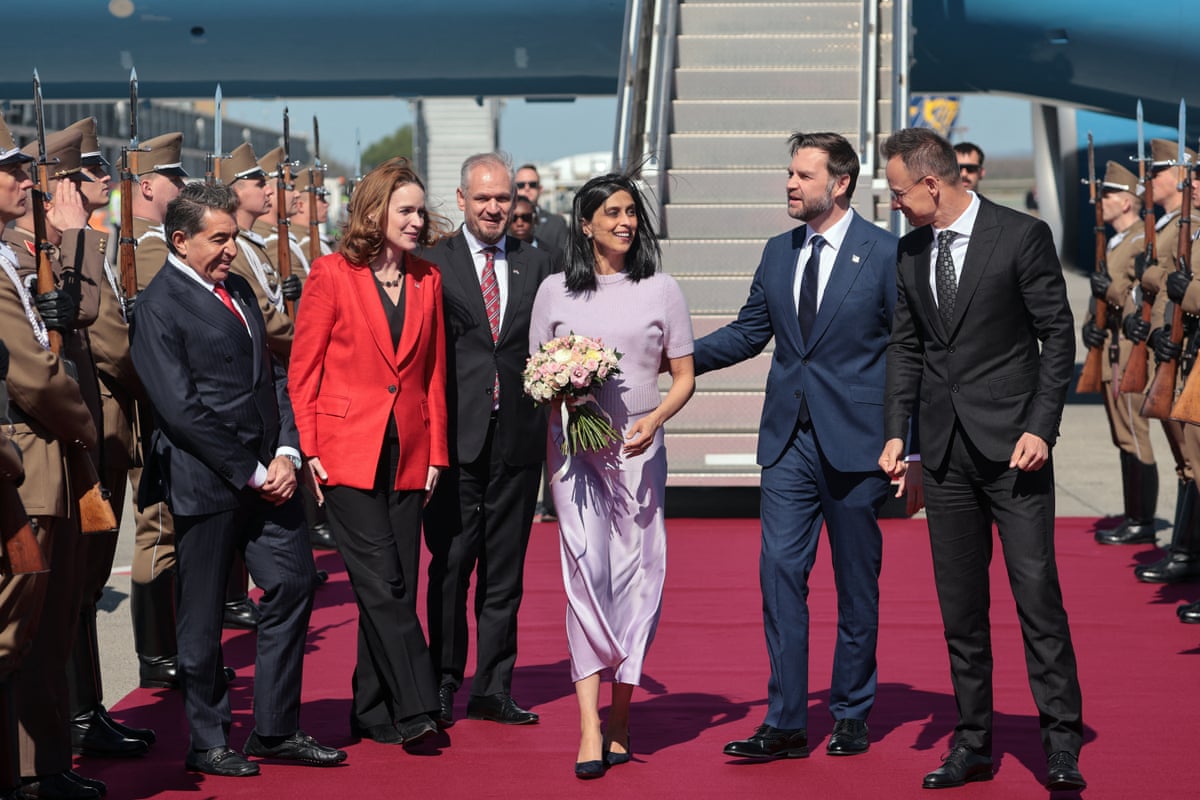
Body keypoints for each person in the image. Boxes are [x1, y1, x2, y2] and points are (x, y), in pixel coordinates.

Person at [878, 127, 1085, 792]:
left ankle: (1061, 743)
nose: (896, 204)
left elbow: (1058, 337)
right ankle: (972, 742)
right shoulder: (910, 253)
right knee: (960, 609)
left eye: (900, 192)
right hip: (943, 457)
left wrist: (1041, 427)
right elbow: (906, 349)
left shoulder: (1020, 236)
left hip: (1014, 452)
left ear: (933, 184)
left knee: (1036, 600)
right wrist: (896, 435)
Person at [694, 132, 899, 763]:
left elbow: (907, 354)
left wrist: (906, 442)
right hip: (788, 441)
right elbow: (750, 332)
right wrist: (673, 356)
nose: (789, 184)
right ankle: (785, 721)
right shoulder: (777, 252)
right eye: (789, 173)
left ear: (839, 184)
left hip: (858, 443)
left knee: (855, 583)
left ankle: (851, 712)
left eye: (803, 175)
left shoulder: (885, 253)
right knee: (780, 573)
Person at [129, 182, 346, 778]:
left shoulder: (240, 289)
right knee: (200, 614)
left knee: (295, 582)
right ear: (180, 240)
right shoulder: (158, 306)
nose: (231, 250)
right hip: (210, 480)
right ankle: (208, 738)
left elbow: (273, 374)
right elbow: (180, 410)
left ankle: (275, 727)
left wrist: (286, 451)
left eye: (233, 237)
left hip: (269, 472)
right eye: (218, 239)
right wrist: (252, 472)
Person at [530, 173, 694, 778]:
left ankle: (622, 714)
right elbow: (536, 375)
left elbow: (683, 376)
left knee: (638, 580)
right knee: (585, 575)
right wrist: (563, 396)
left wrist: (655, 418)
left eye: (631, 212)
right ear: (586, 222)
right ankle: (591, 725)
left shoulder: (662, 289)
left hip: (640, 454)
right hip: (575, 457)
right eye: (613, 212)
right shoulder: (553, 291)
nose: (625, 222)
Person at [289, 157, 448, 746]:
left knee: (397, 577)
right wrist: (307, 446)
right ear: (375, 212)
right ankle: (415, 706)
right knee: (384, 584)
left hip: (409, 451)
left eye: (419, 209)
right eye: (405, 209)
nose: (416, 219)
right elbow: (302, 370)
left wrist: (435, 453)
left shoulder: (427, 279)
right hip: (343, 450)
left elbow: (431, 374)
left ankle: (372, 708)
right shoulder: (332, 274)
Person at [421, 153, 554, 729]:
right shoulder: (432, 264)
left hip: (518, 439)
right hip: (453, 440)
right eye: (483, 199)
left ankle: (494, 686)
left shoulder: (540, 262)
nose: (495, 208)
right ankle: (445, 680)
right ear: (462, 200)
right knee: (451, 566)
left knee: (506, 571)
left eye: (503, 199)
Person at [0, 112, 106, 800]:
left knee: (50, 624)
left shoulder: (12, 256)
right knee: (14, 631)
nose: (21, 180)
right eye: (9, 170)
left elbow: (73, 322)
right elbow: (35, 375)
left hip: (53, 467)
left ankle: (41, 766)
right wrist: (87, 426)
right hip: (28, 466)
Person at [124, 131, 193, 690]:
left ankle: (166, 646)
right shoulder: (146, 249)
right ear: (147, 185)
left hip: (158, 405)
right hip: (151, 412)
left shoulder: (150, 243)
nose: (183, 186)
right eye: (174, 178)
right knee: (158, 527)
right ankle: (154, 652)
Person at [1129, 139, 1200, 586]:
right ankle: (1185, 549)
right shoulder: (1178, 226)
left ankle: (1186, 551)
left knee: (1191, 462)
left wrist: (1152, 276)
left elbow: (1184, 288)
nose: (1147, 182)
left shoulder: (1183, 227)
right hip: (1172, 350)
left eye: (1156, 173)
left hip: (1181, 351)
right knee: (1188, 462)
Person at [1084, 161, 1157, 546]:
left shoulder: (1138, 243)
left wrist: (1107, 291)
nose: (1101, 201)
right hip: (1110, 348)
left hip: (1129, 351)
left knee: (1134, 436)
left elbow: (1138, 296)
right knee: (1121, 436)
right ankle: (1134, 514)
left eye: (1109, 195)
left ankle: (1142, 518)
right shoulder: (1114, 241)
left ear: (1128, 201)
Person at [515, 163, 568, 256]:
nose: (527, 188)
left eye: (532, 184)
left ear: (540, 189)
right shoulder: (505, 222)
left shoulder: (557, 223)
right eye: (521, 185)